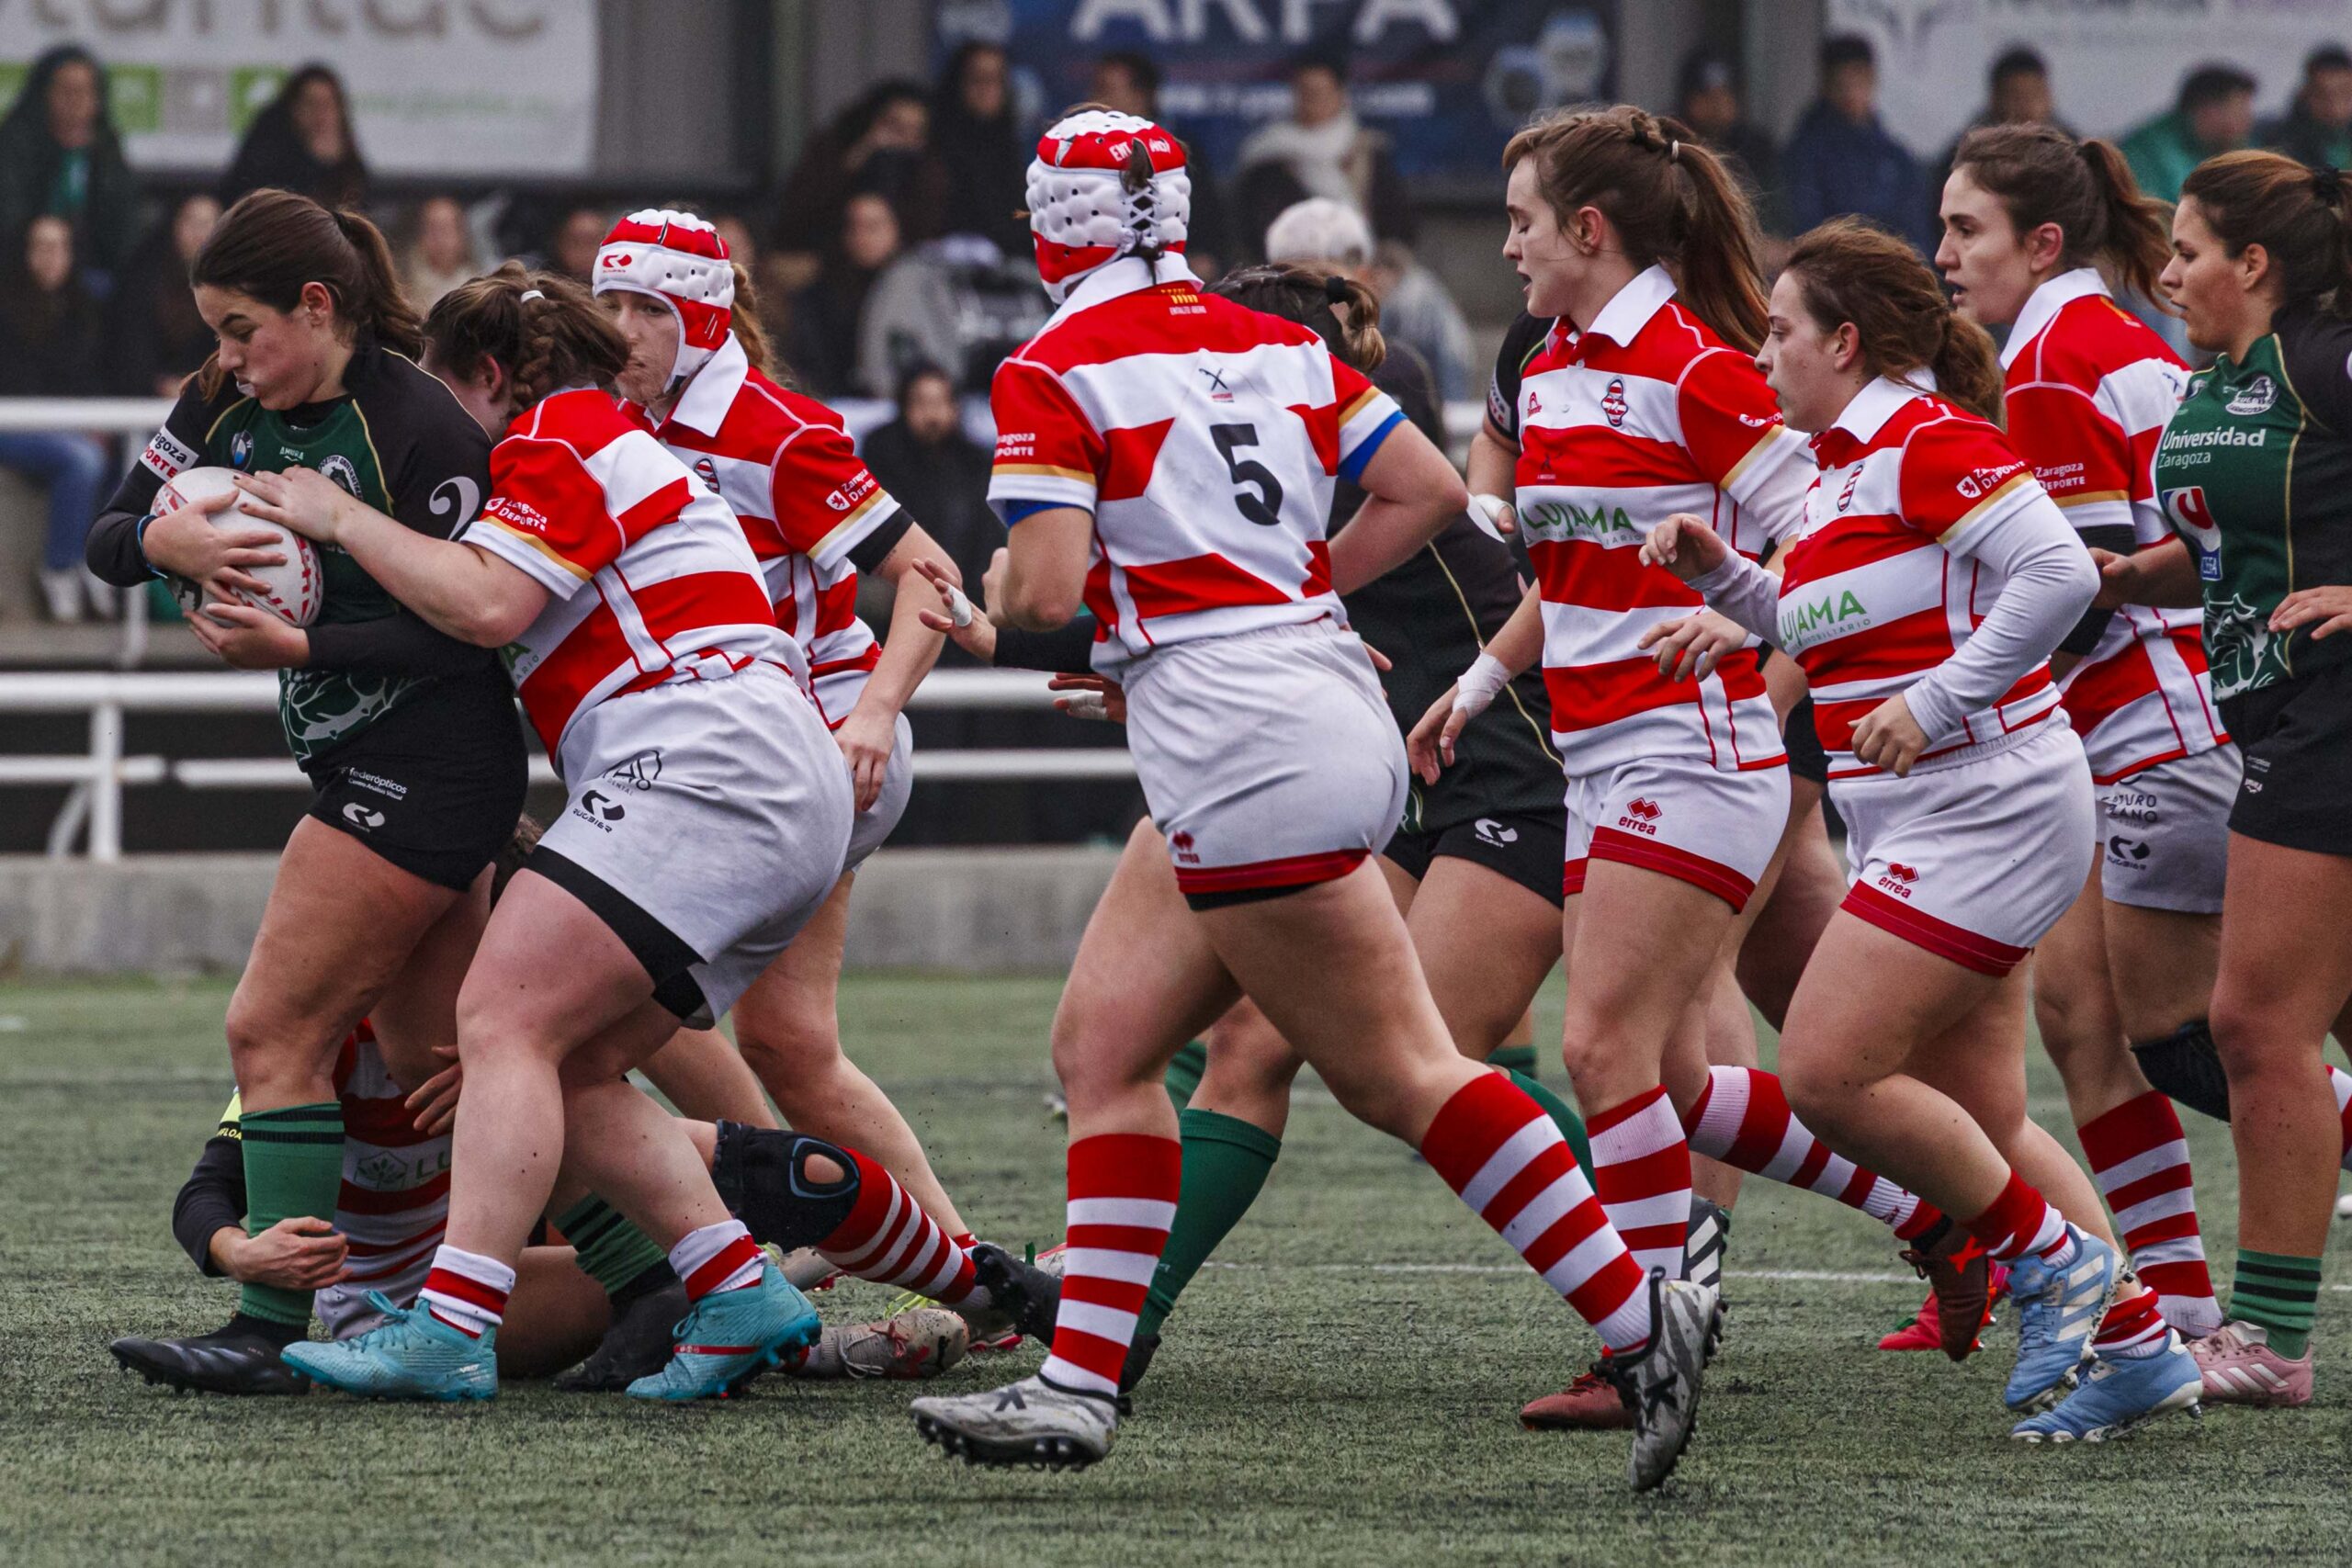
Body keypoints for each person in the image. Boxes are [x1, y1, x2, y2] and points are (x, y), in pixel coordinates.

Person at [902, 107, 1714, 1493]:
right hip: (1325, 704)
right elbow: (1432, 489)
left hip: (1244, 742)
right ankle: (1081, 1383)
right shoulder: (1275, 340)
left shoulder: (1054, 361)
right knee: (1102, 1043)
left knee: (1401, 1069)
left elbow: (1039, 589)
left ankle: (1645, 1315)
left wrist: (1020, 605)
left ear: (1057, 226)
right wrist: (1271, 602)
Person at [1410, 108, 1977, 1430]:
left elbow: (1832, 531)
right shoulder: (1548, 364)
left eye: (1525, 222)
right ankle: (1932, 1214)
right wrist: (1481, 683)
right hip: (1595, 749)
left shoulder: (1695, 366)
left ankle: (1645, 1345)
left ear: (1590, 231)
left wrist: (1748, 606)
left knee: (1598, 1041)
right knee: (1661, 1079)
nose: (1510, 245)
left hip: (1704, 745)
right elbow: (1570, 572)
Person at [226, 263, 850, 1403]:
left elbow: (485, 604)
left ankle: (449, 1326)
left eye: (439, 401)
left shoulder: (557, 433)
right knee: (565, 1065)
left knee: (497, 1021)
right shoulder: (603, 439)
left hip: (701, 761)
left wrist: (340, 514)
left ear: (493, 377)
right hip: (763, 772)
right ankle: (737, 1290)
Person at [1640, 217, 2202, 1443]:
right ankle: (2139, 1339)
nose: (1765, 349)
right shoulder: (1841, 457)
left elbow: (2058, 573)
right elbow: (1829, 613)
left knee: (1830, 1069)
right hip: (1930, 810)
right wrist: (1724, 584)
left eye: (1782, 329)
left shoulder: (1922, 436)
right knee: (1985, 1121)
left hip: (1988, 800)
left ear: (1844, 339)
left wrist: (1936, 699)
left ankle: (2051, 1265)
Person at [82, 190, 527, 1394]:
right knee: (450, 1055)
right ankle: (669, 1277)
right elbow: (109, 530)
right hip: (363, 760)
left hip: (432, 764)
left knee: (272, 1028)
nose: (226, 358)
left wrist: (308, 653)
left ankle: (271, 1324)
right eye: (218, 335)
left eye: (243, 329)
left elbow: (475, 632)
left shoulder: (419, 427)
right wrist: (161, 544)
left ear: (317, 307)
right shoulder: (222, 401)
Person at [589, 209, 995, 1318]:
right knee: (783, 1040)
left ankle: (766, 1249)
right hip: (739, 757)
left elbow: (940, 584)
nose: (621, 329)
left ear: (703, 314)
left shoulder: (774, 429)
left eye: (647, 309)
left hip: (809, 753)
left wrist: (869, 715)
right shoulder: (614, 420)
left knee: (605, 1018)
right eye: (609, 304)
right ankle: (957, 1271)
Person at [1936, 123, 2234, 1348]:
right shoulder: (2093, 337)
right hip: (2157, 723)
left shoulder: (2053, 359)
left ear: (2042, 240)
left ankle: (2209, 1311)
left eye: (1966, 229)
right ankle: (2180, 1306)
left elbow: (2077, 585)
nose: (1944, 253)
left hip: (2157, 727)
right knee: (2081, 1019)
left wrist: (1951, 702)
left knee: (2203, 1046)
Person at [2095, 149, 2352, 1407]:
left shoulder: (2327, 353)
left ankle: (2268, 1341)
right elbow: (2218, 544)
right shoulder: (2216, 377)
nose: (2168, 269)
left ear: (2254, 265)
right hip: (2275, 712)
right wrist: (2114, 578)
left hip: (2337, 713)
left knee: (2255, 1022)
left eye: (2189, 249)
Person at [0, 214, 110, 622]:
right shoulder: (6, 304)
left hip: (67, 426)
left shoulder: (85, 306)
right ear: (24, 253)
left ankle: (102, 565)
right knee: (82, 460)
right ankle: (60, 567)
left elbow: (92, 378)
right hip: (13, 425)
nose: (50, 257)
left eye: (59, 246)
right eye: (41, 246)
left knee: (121, 452)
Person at [1235, 55, 1415, 256]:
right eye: (1304, 92)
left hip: (1367, 268)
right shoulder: (1269, 158)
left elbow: (1397, 225)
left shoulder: (1368, 150)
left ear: (1340, 94)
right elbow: (1258, 231)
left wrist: (1387, 267)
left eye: (1319, 93)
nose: (1311, 101)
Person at [0, 43, 141, 281]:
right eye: (66, 90)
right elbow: (10, 217)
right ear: (44, 94)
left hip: (94, 274)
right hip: (20, 273)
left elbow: (124, 227)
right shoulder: (15, 144)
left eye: (84, 91)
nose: (75, 101)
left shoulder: (107, 148)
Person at [1781, 35, 1932, 254]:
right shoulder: (1806, 152)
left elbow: (1917, 234)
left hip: (1895, 273)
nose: (1851, 92)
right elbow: (1808, 230)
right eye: (1840, 83)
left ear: (1872, 79)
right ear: (1825, 85)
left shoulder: (1895, 157)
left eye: (1859, 79)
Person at [861, 362, 996, 595]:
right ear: (905, 405)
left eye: (940, 403)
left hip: (967, 577)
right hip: (899, 577)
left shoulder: (973, 460)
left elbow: (985, 533)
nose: (932, 414)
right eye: (922, 403)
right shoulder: (882, 450)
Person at [770, 80, 944, 259]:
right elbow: (797, 217)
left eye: (914, 131)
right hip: (824, 258)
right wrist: (859, 156)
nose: (903, 139)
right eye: (894, 126)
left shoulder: (929, 171)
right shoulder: (833, 153)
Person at [1091, 50, 1229, 276]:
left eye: (1106, 91)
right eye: (1096, 89)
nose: (1096, 100)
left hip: (1172, 262)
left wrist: (1199, 256)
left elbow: (1207, 220)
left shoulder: (1179, 148)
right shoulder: (1079, 151)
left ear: (1141, 96)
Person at [1928, 48, 2072, 236]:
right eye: (2016, 96)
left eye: (2034, 94)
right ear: (1995, 99)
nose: (2026, 107)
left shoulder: (2072, 156)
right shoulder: (1965, 160)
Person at [785, 190, 900, 397]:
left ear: (896, 229)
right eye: (854, 227)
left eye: (873, 227)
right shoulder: (817, 299)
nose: (862, 237)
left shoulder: (918, 290)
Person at [106, 192, 221, 396]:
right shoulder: (143, 279)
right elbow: (128, 348)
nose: (199, 233)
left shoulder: (234, 287)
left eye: (207, 224)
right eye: (192, 222)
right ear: (175, 225)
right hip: (143, 402)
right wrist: (158, 385)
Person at [220, 65, 368, 211]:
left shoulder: (348, 161)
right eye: (311, 103)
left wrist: (334, 164)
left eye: (328, 104)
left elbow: (359, 210)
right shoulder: (269, 146)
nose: (320, 113)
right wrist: (316, 162)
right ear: (294, 108)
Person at [933, 42, 1029, 257]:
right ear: (958, 83)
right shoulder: (933, 145)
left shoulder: (1011, 149)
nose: (986, 88)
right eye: (977, 78)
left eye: (996, 80)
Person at [1676, 47, 1780, 231]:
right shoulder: (1669, 146)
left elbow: (1778, 217)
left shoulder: (1757, 149)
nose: (1717, 105)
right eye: (1706, 96)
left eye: (1724, 94)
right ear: (1688, 100)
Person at [2121, 64, 2257, 203]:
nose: (2246, 121)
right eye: (2238, 111)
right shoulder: (2150, 152)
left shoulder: (2231, 146)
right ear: (2207, 109)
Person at [2260, 45, 2352, 171]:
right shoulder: (2277, 143)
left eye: (2345, 95)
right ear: (2306, 94)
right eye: (2323, 96)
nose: (2335, 107)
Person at [401, 196, 481, 312]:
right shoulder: (403, 289)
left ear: (461, 235)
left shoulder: (479, 289)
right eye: (432, 229)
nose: (439, 239)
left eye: (445, 229)